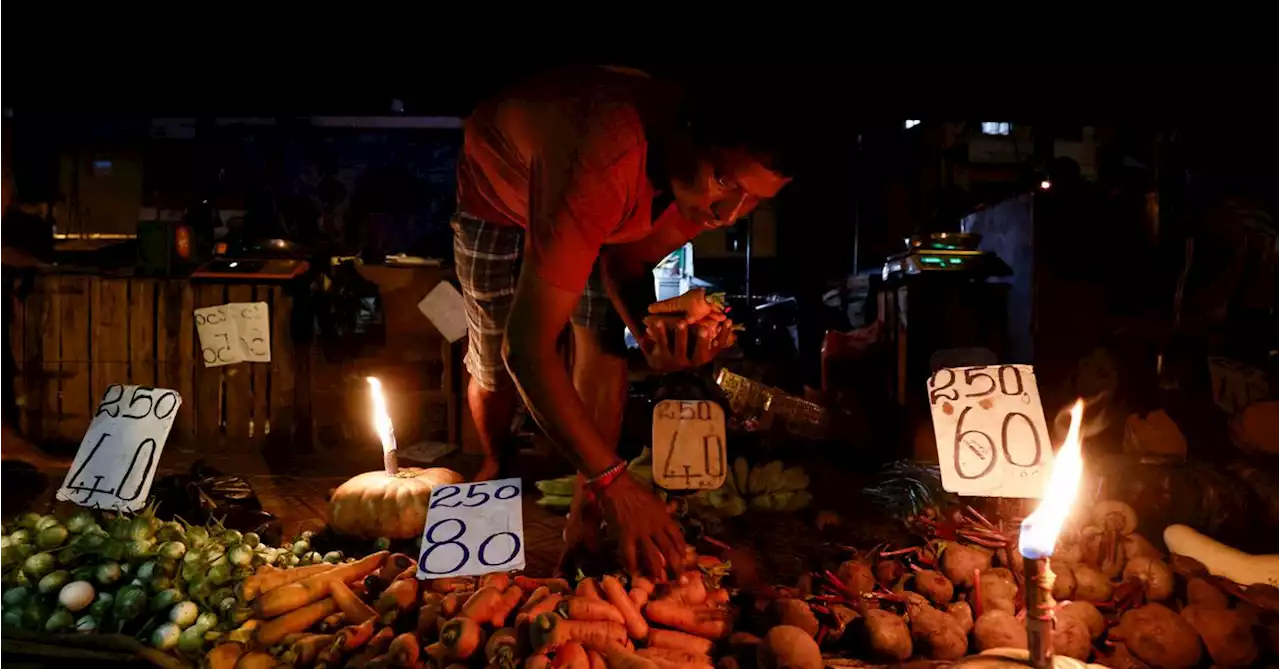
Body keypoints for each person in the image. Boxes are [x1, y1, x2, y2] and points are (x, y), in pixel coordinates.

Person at [454, 66, 793, 578]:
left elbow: (623, 263)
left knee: (605, 344)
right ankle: (496, 460)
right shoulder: (603, 157)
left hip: (589, 197)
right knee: (496, 356)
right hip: (499, 198)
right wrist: (617, 482)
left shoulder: (701, 194)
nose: (729, 214)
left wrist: (650, 334)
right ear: (687, 135)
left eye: (755, 202)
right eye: (725, 181)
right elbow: (525, 350)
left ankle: (584, 517)